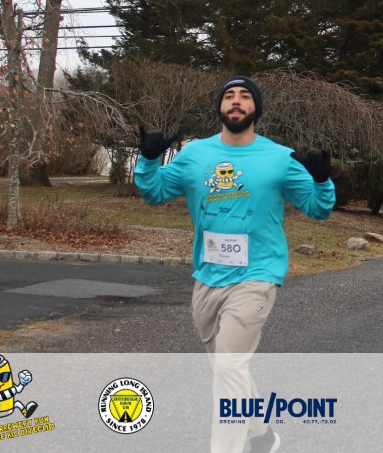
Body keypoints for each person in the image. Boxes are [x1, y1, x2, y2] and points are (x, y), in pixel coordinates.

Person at [136, 75, 335, 453]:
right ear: (220, 107)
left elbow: (318, 208)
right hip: (207, 276)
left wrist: (322, 180)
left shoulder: (280, 158)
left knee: (228, 367)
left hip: (257, 275)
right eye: (229, 96)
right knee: (227, 368)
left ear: (256, 108)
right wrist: (148, 160)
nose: (237, 101)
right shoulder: (195, 154)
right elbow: (154, 191)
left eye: (245, 96)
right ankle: (261, 435)